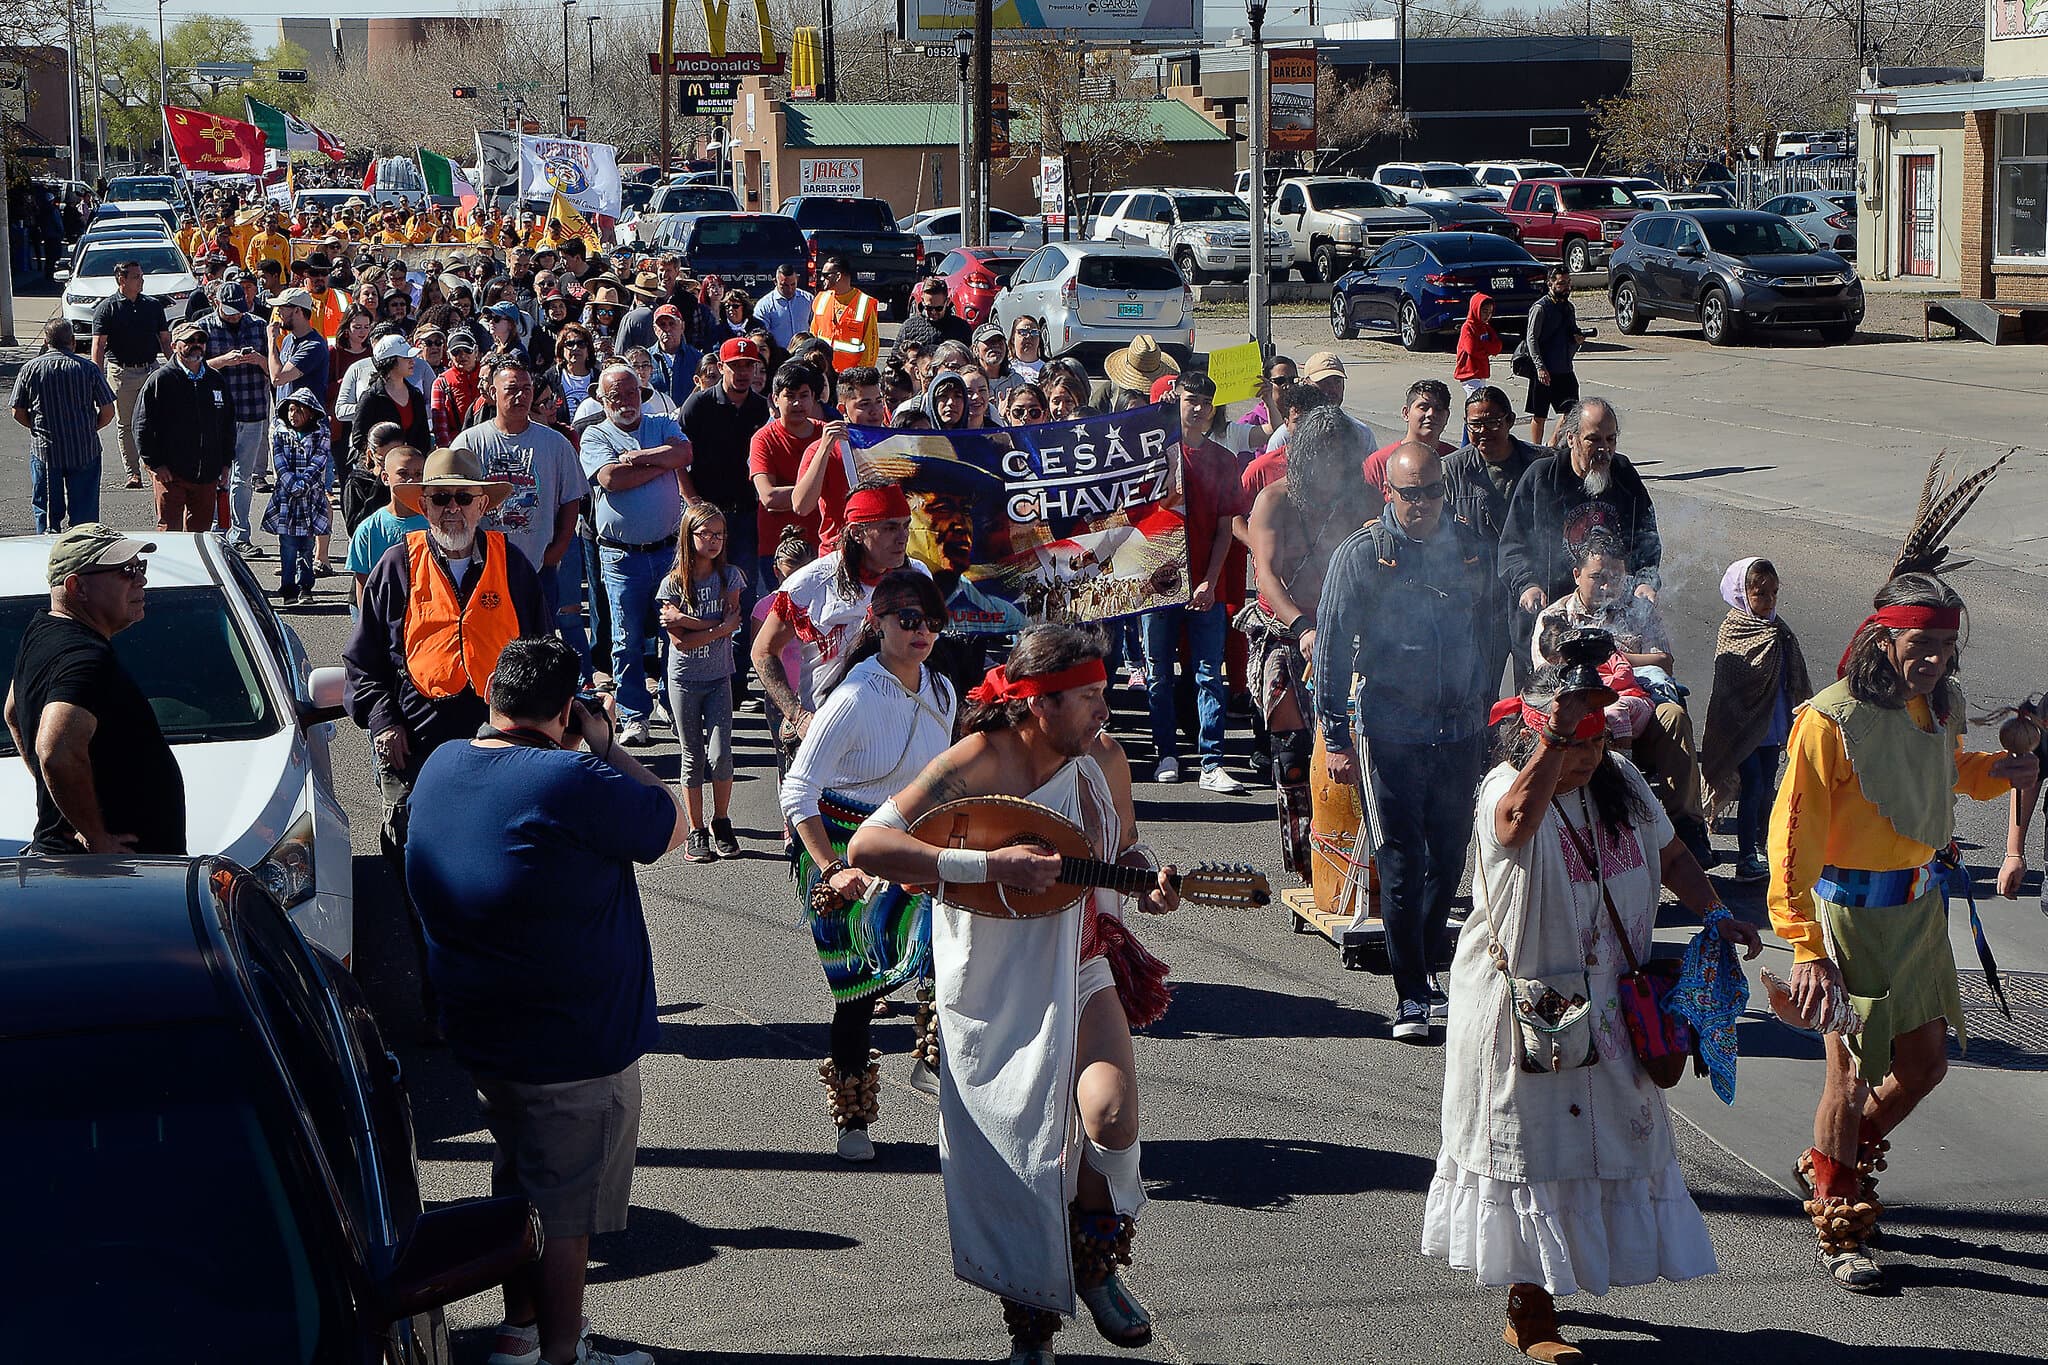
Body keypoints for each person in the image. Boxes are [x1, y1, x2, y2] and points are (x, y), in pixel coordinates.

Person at [848, 625, 1180, 1363]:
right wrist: (987, 862)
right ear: (1038, 701)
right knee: (1018, 1161)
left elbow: (1124, 846)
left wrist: (1149, 878)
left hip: (1081, 957)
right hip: (990, 980)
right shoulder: (978, 760)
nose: (1104, 710)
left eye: (1103, 694)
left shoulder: (1103, 757)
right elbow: (868, 846)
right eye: (1089, 697)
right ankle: (1029, 1332)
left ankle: (1093, 1267)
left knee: (1112, 1113)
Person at [1422, 667, 1762, 1361]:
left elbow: (1669, 853)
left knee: (1601, 1144)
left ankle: (1560, 1280)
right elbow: (1515, 826)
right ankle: (1530, 1305)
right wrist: (1555, 740)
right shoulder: (1506, 789)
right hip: (1528, 1007)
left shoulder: (1624, 786)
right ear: (1534, 732)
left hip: (1610, 1004)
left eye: (1596, 742)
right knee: (1536, 1151)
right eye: (1573, 741)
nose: (1586, 756)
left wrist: (1717, 911)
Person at [1769, 469, 2031, 1290]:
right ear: (1884, 639)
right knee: (1844, 1076)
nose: (1935, 661)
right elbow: (1789, 844)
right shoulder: (1827, 719)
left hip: (1917, 920)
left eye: (1948, 649)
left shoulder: (1938, 707)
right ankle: (1841, 1222)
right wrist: (1804, 947)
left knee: (1923, 1066)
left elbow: (1951, 776)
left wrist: (2008, 765)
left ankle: (1829, 1160)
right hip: (1844, 923)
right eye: (1923, 646)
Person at [406, 635, 683, 1365]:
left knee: (521, 1184)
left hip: (484, 1035)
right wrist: (602, 745)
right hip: (569, 1042)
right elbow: (670, 820)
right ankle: (562, 1352)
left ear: (492, 695)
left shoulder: (443, 763)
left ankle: (520, 1331)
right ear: (565, 709)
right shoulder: (569, 780)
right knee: (563, 1213)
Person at [344, 446, 550, 1033]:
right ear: (422, 504)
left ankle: (504, 998)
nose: (452, 508)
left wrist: (551, 727)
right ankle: (443, 1003)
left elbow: (546, 654)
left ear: (484, 503)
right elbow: (362, 664)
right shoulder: (395, 566)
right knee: (424, 876)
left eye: (464, 497)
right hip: (418, 750)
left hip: (502, 747)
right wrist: (383, 723)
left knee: (507, 874)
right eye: (440, 498)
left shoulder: (513, 567)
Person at [1316, 441, 1501, 1040]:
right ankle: (1412, 994)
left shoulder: (1473, 549)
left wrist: (1490, 705)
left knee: (1448, 859)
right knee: (1401, 859)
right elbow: (1333, 647)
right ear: (1388, 493)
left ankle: (1427, 965)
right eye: (1409, 493)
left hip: (1460, 730)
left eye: (1431, 492)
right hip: (1391, 728)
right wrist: (1336, 738)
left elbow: (1494, 630)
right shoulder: (1363, 556)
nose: (1421, 504)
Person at [781, 569, 958, 1161]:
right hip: (837, 847)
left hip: (908, 842)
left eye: (932, 622)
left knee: (949, 940)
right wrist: (831, 869)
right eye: (908, 619)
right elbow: (797, 792)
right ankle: (852, 1119)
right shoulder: (853, 696)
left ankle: (934, 1057)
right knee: (854, 993)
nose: (922, 632)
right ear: (876, 623)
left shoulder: (942, 692)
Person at [1241, 407, 1382, 865]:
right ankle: (1307, 857)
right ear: (1302, 456)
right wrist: (1303, 628)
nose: (1331, 467)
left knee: (1355, 744)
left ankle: (1359, 852)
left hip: (1349, 633)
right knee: (1294, 749)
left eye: (1340, 457)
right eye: (1322, 456)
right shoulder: (1275, 500)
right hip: (1286, 634)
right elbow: (1266, 574)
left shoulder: (1362, 500)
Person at [3, 525, 184, 856]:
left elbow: (14, 712)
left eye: (140, 567)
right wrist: (97, 838)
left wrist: (60, 798)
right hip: (112, 876)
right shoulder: (85, 659)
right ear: (77, 586)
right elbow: (56, 750)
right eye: (126, 571)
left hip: (82, 867)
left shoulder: (42, 630)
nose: (141, 580)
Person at [1140, 371, 1248, 791]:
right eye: (1191, 400)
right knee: (1158, 672)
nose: (1199, 408)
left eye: (1206, 401)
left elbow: (1226, 529)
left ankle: (1211, 763)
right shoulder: (1151, 454)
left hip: (1205, 583)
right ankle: (1165, 751)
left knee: (1207, 673)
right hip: (1154, 583)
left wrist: (1210, 580)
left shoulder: (1224, 460)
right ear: (1176, 401)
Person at [752, 481, 927, 739]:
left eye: (905, 525)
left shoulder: (918, 577)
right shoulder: (810, 582)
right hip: (829, 728)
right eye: (890, 528)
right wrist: (797, 716)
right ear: (857, 532)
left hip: (899, 725)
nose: (903, 537)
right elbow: (763, 650)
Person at [581, 363, 695, 745]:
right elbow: (612, 479)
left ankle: (671, 702)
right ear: (603, 399)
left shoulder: (661, 422)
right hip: (621, 556)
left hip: (667, 551)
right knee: (625, 639)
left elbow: (684, 453)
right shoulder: (595, 434)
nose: (625, 402)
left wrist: (638, 458)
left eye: (631, 394)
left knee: (674, 632)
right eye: (616, 396)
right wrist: (657, 461)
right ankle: (633, 715)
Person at [1499, 397, 1660, 666]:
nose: (1604, 450)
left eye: (1610, 440)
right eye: (1593, 440)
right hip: (1551, 620)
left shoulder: (1623, 474)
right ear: (1571, 438)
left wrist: (1645, 579)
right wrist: (1528, 584)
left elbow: (1646, 535)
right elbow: (1512, 546)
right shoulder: (1542, 477)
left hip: (1611, 617)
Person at [1701, 557, 1812, 882]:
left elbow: (1794, 675)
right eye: (1760, 594)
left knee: (1767, 788)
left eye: (1773, 593)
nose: (1768, 601)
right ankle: (1746, 855)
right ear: (1740, 593)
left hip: (1772, 722)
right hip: (1742, 726)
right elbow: (1729, 686)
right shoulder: (1734, 630)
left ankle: (1766, 848)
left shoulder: (1779, 629)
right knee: (1753, 786)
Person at [658, 502, 747, 862]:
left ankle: (721, 821)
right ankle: (696, 830)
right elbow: (680, 642)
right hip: (684, 679)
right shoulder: (673, 583)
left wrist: (688, 619)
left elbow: (733, 623)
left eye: (719, 535)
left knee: (722, 754)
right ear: (688, 535)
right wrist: (718, 628)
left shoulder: (730, 577)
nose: (713, 541)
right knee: (692, 756)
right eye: (705, 534)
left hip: (718, 677)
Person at [451, 357, 585, 578]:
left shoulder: (556, 443)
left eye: (526, 389)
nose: (521, 396)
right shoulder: (468, 443)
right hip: (482, 566)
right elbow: (452, 499)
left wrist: (556, 551)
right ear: (493, 393)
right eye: (512, 389)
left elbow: (571, 499)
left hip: (539, 567)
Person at [679, 337, 771, 609]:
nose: (742, 373)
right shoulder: (698, 406)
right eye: (735, 366)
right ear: (721, 367)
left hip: (746, 514)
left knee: (744, 588)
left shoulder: (762, 408)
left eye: (748, 366)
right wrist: (693, 502)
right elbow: (679, 460)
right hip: (708, 514)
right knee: (702, 588)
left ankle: (742, 653)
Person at [11, 319, 114, 533]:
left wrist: (36, 427)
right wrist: (89, 428)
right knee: (85, 520)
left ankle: (49, 556)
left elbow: (17, 411)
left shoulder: (30, 369)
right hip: (84, 448)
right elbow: (108, 411)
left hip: (46, 450)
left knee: (48, 517)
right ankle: (83, 557)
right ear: (73, 341)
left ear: (45, 341)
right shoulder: (88, 369)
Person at [134, 323, 235, 533]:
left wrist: (225, 464)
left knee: (200, 535)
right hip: (171, 475)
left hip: (207, 476)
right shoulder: (161, 380)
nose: (196, 345)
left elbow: (227, 425)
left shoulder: (216, 380)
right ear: (174, 345)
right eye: (189, 341)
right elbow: (141, 426)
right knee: (170, 533)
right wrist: (156, 464)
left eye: (200, 341)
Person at [88, 259, 173, 490]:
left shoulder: (153, 306)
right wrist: (96, 379)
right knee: (126, 424)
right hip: (122, 373)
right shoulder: (107, 308)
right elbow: (99, 346)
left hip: (150, 370)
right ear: (121, 280)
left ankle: (157, 466)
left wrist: (175, 366)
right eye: (136, 277)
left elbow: (165, 340)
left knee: (157, 420)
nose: (141, 280)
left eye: (141, 276)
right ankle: (133, 473)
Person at [747, 361, 826, 585]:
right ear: (774, 399)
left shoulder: (826, 434)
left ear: (814, 397)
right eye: (790, 395)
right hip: (778, 550)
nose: (797, 403)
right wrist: (820, 490)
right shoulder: (763, 439)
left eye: (804, 395)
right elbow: (769, 497)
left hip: (821, 545)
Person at [263, 391, 335, 606]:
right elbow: (279, 462)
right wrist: (292, 485)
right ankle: (288, 588)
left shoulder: (321, 434)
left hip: (310, 497)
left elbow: (319, 461)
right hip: (286, 497)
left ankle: (306, 586)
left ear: (311, 413)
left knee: (307, 544)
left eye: (299, 410)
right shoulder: (280, 434)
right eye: (291, 410)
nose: (293, 415)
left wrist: (303, 484)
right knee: (287, 545)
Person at [347, 443, 428, 602]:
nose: (412, 479)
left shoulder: (435, 524)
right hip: (383, 616)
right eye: (403, 473)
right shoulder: (369, 529)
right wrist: (366, 623)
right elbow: (363, 584)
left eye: (419, 474)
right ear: (385, 477)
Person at [1520, 267, 1582, 444]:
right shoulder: (1541, 308)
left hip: (1564, 368)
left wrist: (1577, 339)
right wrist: (1540, 367)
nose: (1566, 287)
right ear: (1550, 284)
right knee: (1539, 415)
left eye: (1568, 283)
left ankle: (1552, 444)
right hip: (1544, 371)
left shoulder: (1568, 308)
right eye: (1561, 283)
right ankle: (1535, 449)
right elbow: (1532, 339)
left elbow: (1572, 334)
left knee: (1572, 411)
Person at [1360, 379, 1453, 496]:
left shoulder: (1455, 462)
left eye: (1439, 408)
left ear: (1447, 416)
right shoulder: (1378, 463)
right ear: (1406, 413)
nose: (1431, 414)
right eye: (1423, 407)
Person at [350, 335, 432, 466]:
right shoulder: (371, 398)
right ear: (391, 362)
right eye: (406, 358)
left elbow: (423, 437)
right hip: (379, 471)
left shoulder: (415, 395)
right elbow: (359, 439)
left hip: (411, 468)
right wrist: (383, 459)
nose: (412, 361)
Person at [810, 253, 879, 372]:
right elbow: (813, 336)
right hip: (823, 373)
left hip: (849, 378)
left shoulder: (865, 304)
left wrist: (860, 377)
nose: (822, 279)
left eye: (826, 275)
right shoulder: (821, 299)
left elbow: (871, 348)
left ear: (838, 276)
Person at [431, 327, 485, 445]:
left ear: (476, 351)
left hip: (488, 441)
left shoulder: (489, 376)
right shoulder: (441, 383)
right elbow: (440, 428)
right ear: (449, 355)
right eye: (456, 352)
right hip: (458, 445)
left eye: (467, 350)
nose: (462, 355)